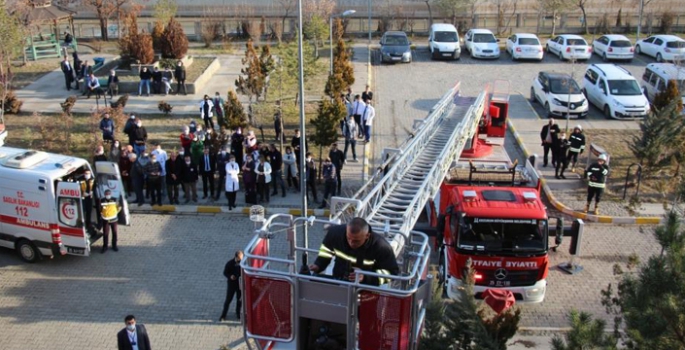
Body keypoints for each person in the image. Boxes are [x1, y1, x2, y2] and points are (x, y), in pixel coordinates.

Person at [309, 218, 399, 286]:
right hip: (338, 282)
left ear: (367, 236)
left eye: (356, 241)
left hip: (366, 288)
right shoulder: (335, 234)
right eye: (348, 238)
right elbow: (326, 251)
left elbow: (392, 273)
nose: (351, 243)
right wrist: (319, 265)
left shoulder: (381, 247)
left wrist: (365, 277)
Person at [220, 250, 243, 321]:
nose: (241, 260)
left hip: (240, 285)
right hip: (232, 285)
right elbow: (225, 272)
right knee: (228, 300)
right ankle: (223, 315)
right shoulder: (229, 264)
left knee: (239, 300)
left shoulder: (243, 263)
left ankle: (238, 314)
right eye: (240, 258)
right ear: (236, 257)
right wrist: (230, 276)